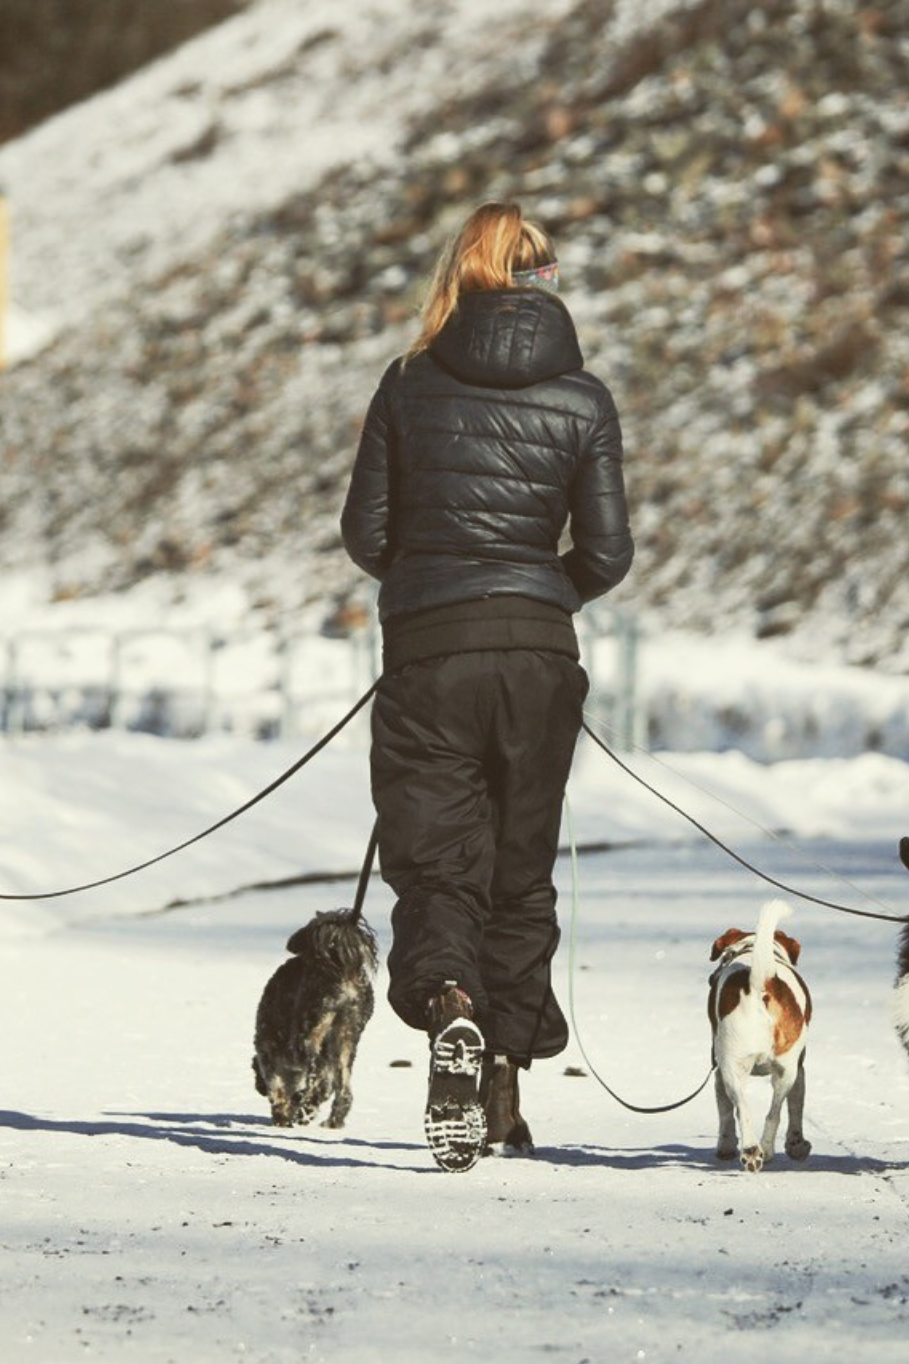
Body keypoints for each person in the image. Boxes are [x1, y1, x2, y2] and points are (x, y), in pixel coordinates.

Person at [339, 201, 633, 1172]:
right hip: (538, 659)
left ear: (456, 276)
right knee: (520, 870)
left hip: (429, 654)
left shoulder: (408, 381)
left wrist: (431, 591)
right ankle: (502, 1086)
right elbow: (606, 551)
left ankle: (451, 1005)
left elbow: (366, 534)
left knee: (437, 866)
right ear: (543, 281)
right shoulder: (583, 399)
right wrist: (541, 598)